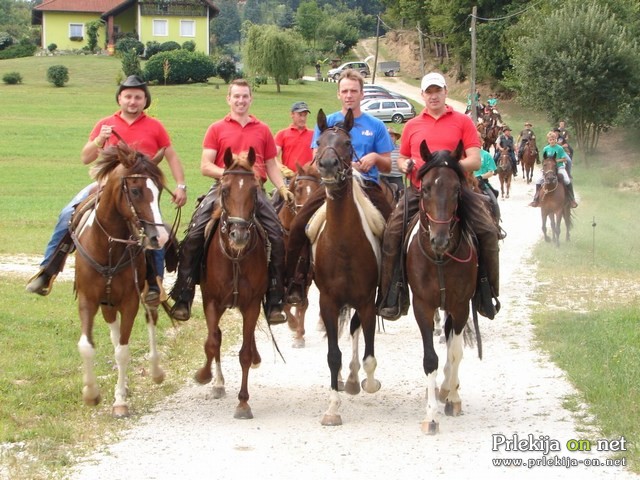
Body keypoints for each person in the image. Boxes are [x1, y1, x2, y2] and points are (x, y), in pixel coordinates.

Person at [26, 75, 188, 303]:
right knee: (66, 215)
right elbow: (85, 158)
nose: (133, 101)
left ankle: (155, 283)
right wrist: (99, 141)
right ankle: (47, 271)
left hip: (140, 193)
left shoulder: (155, 126)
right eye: (128, 96)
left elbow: (170, 155)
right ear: (119, 99)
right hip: (105, 188)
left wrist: (180, 185)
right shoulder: (105, 125)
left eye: (138, 97)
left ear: (145, 101)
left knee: (156, 228)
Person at [377, 72, 501, 320]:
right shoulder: (412, 125)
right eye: (428, 92)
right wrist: (404, 165)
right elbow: (402, 157)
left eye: (438, 91)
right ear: (422, 95)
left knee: (487, 230)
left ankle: (486, 292)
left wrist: (446, 167)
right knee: (391, 233)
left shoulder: (462, 121)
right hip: (420, 190)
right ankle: (393, 294)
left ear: (445, 92)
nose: (433, 96)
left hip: (458, 190)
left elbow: (475, 160)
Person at [168, 78, 293, 324]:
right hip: (223, 188)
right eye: (236, 96)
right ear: (229, 99)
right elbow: (205, 165)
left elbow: (270, 164)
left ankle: (275, 299)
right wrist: (229, 175)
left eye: (245, 96)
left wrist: (282, 187)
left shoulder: (263, 129)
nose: (241, 100)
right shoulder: (216, 128)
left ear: (250, 99)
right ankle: (184, 294)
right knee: (194, 234)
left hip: (254, 190)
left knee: (277, 236)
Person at [284, 69, 393, 305]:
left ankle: (391, 288)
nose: (349, 95)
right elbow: (316, 156)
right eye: (344, 91)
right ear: (338, 94)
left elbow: (387, 164)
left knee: (394, 229)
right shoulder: (328, 122)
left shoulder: (375, 125)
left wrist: (373, 157)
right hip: (331, 186)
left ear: (362, 94)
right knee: (298, 224)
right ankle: (294, 282)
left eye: (354, 91)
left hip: (368, 186)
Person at [529, 130, 578, 208]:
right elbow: (544, 160)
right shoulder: (546, 148)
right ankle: (536, 199)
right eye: (550, 140)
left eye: (553, 139)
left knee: (567, 180)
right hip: (549, 169)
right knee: (538, 181)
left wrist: (555, 161)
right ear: (548, 140)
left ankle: (572, 199)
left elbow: (564, 159)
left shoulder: (559, 148)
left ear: (556, 139)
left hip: (559, 167)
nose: (552, 141)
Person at [475, 131, 501, 224]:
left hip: (482, 183)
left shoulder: (486, 155)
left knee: (494, 202)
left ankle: (496, 225)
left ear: (482, 142)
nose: (477, 142)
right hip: (466, 183)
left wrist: (480, 177)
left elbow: (491, 172)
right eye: (474, 139)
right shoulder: (464, 154)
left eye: (479, 140)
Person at [380, 127, 404, 196]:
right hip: (382, 176)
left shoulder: (401, 148)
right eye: (387, 136)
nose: (390, 138)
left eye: (392, 136)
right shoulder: (379, 148)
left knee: (402, 193)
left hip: (396, 177)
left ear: (396, 138)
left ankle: (400, 206)